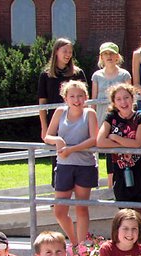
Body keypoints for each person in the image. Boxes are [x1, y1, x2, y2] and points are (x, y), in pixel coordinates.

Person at [43, 80, 98, 247]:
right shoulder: (60, 112)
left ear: (86, 97)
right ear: (65, 98)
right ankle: (74, 243)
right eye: (72, 96)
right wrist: (57, 140)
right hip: (64, 166)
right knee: (59, 211)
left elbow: (94, 139)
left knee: (81, 208)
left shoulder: (89, 113)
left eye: (80, 96)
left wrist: (72, 150)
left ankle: (81, 248)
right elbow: (47, 136)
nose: (76, 99)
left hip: (84, 165)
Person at [97, 83, 141, 217]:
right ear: (114, 102)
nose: (123, 102)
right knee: (124, 212)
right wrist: (125, 145)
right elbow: (100, 141)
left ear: (132, 98)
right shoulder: (110, 117)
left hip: (139, 168)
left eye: (126, 97)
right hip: (120, 168)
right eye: (118, 99)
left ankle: (137, 237)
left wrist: (115, 137)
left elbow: (137, 143)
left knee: (139, 211)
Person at [38, 37, 88, 187]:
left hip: (76, 119)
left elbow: (86, 98)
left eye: (70, 52)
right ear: (56, 52)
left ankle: (79, 188)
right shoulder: (46, 75)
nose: (68, 54)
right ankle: (59, 189)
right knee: (58, 155)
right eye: (64, 51)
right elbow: (42, 102)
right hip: (56, 120)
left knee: (78, 150)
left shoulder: (78, 73)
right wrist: (44, 127)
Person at [91, 42, 132, 189]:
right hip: (103, 117)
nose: (109, 57)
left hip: (120, 118)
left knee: (121, 148)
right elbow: (93, 99)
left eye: (111, 54)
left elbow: (130, 96)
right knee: (108, 151)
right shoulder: (97, 76)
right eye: (105, 54)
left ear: (117, 56)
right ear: (101, 57)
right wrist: (93, 120)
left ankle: (125, 182)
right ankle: (110, 185)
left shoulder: (124, 74)